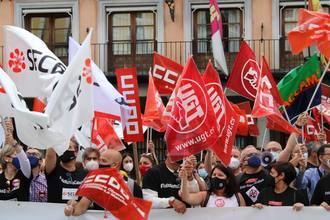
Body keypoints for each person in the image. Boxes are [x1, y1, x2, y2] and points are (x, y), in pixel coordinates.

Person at [64, 149, 142, 216]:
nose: (99, 163)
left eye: (103, 161)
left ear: (114, 165)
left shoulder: (132, 186)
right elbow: (81, 208)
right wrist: (71, 210)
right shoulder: (94, 183)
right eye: (99, 160)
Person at [180, 163, 245, 208]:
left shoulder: (238, 197)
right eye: (214, 175)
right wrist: (184, 178)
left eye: (220, 175)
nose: (216, 177)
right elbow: (186, 198)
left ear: (228, 180)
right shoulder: (204, 196)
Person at [45, 137, 88, 203]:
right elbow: (50, 155)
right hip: (54, 211)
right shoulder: (53, 169)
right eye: (62, 148)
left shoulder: (84, 173)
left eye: (68, 147)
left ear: (76, 152)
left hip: (76, 212)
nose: (64, 150)